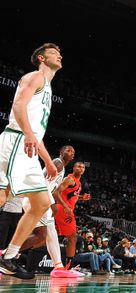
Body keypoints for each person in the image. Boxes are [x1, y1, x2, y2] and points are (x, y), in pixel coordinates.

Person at [0, 43, 62, 279]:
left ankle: (8, 257)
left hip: (28, 148)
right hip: (16, 140)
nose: (60, 55)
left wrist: (47, 161)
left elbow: (37, 135)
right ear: (41, 58)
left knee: (42, 202)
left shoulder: (47, 88)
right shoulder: (35, 76)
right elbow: (18, 106)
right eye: (54, 53)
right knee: (2, 196)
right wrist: (27, 134)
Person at [18, 144, 82, 277]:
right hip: (36, 200)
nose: (70, 152)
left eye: (72, 151)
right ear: (61, 152)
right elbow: (41, 182)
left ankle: (58, 267)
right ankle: (6, 255)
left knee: (51, 233)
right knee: (41, 235)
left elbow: (51, 188)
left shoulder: (62, 168)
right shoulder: (57, 163)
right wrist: (53, 203)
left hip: (42, 201)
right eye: (68, 150)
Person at [53, 161, 91, 268]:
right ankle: (69, 267)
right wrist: (65, 206)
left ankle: (14, 252)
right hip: (64, 210)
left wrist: (81, 197)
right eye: (79, 166)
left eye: (83, 167)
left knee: (47, 236)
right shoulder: (69, 179)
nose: (81, 168)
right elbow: (56, 193)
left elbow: (70, 195)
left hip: (65, 209)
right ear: (73, 168)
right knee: (72, 237)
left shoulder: (79, 183)